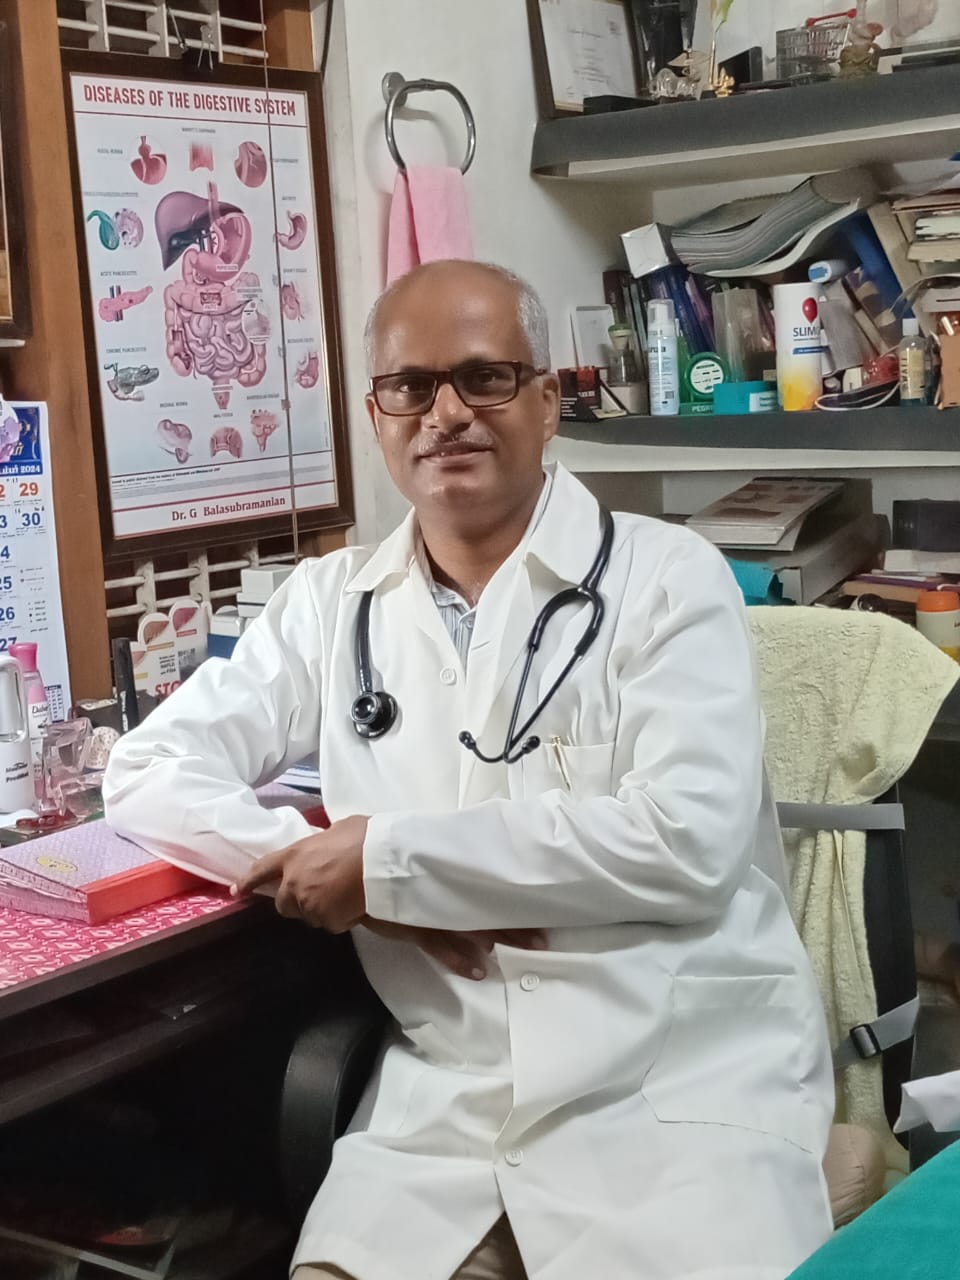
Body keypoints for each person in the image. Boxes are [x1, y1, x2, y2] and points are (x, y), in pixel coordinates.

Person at [104, 260, 835, 1280]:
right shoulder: (331, 603)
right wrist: (325, 870)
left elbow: (687, 839)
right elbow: (147, 767)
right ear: (376, 415)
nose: (446, 414)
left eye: (485, 378)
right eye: (411, 386)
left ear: (547, 403)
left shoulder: (670, 578)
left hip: (675, 1085)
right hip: (450, 1105)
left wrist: (390, 863)